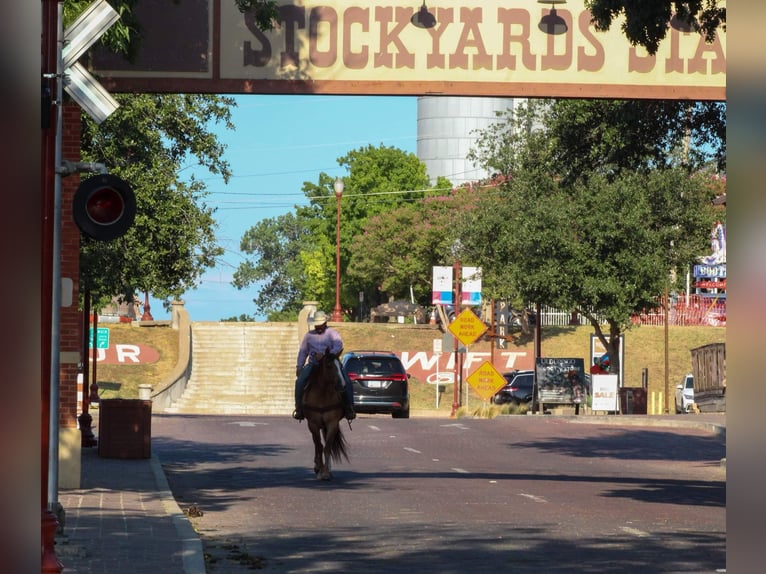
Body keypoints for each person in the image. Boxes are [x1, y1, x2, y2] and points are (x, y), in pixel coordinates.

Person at [293, 310, 356, 421]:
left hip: (330, 362)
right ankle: (299, 408)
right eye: (317, 325)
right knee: (300, 382)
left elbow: (338, 346)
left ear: (325, 323)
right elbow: (303, 351)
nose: (318, 327)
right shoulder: (309, 336)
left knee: (345, 381)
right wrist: (299, 366)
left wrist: (326, 355)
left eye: (320, 324)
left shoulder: (332, 334)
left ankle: (349, 407)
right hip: (314, 363)